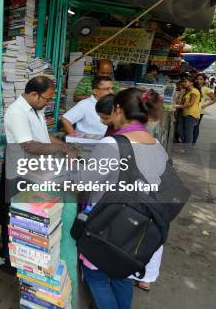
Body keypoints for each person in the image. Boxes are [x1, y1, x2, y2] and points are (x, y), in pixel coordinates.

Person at [76, 88, 167, 308]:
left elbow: (85, 184)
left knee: (95, 276)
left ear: (118, 109)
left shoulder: (112, 145)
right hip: (136, 227)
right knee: (121, 276)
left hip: (107, 225)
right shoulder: (156, 145)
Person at [4, 76, 72, 154]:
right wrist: (62, 148)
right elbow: (29, 146)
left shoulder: (36, 108)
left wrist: (66, 147)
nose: (48, 103)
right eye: (47, 99)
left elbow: (44, 134)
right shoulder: (17, 112)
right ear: (34, 94)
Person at [175, 76, 201, 144]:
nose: (184, 83)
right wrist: (182, 93)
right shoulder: (187, 91)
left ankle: (187, 148)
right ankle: (186, 145)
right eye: (184, 81)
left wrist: (178, 106)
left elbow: (191, 104)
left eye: (186, 81)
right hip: (185, 113)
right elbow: (180, 101)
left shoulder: (194, 91)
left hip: (191, 114)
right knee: (179, 130)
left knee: (188, 133)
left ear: (191, 83)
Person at [193, 73, 216, 144]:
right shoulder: (193, 87)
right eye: (197, 79)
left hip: (199, 111)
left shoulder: (206, 89)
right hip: (190, 109)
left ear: (204, 80)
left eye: (201, 79)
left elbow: (214, 99)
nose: (198, 80)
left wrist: (204, 105)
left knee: (195, 127)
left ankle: (193, 143)